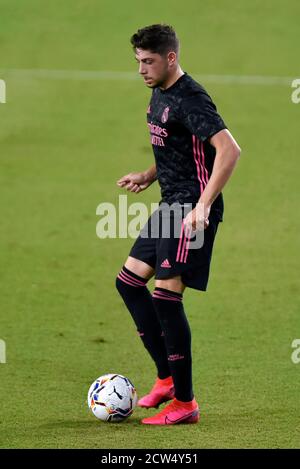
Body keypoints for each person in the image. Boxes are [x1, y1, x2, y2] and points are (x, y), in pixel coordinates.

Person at [116, 24, 241, 425]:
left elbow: (228, 149)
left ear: (171, 57)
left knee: (166, 298)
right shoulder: (160, 92)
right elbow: (179, 145)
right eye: (138, 61)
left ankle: (185, 404)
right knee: (129, 282)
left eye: (148, 61)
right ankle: (167, 378)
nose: (141, 70)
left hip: (190, 210)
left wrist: (203, 206)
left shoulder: (191, 98)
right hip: (171, 204)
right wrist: (149, 175)